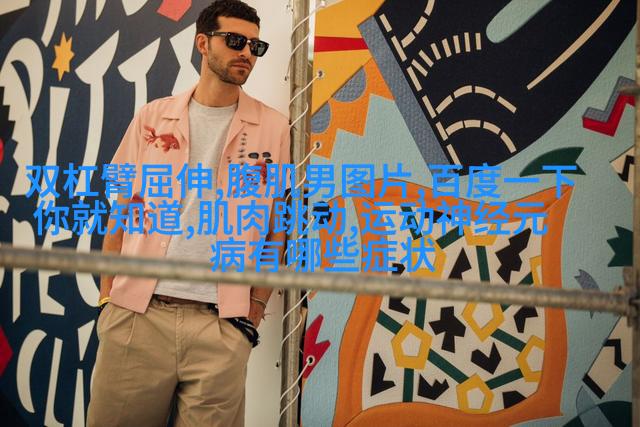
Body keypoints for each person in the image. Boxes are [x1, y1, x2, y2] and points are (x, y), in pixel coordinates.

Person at [87, 1, 289, 425]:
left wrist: (252, 313)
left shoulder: (274, 128)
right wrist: (109, 298)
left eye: (255, 46)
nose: (246, 53)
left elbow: (276, 230)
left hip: (221, 327)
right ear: (203, 43)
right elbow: (120, 211)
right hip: (137, 317)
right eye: (235, 41)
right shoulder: (153, 117)